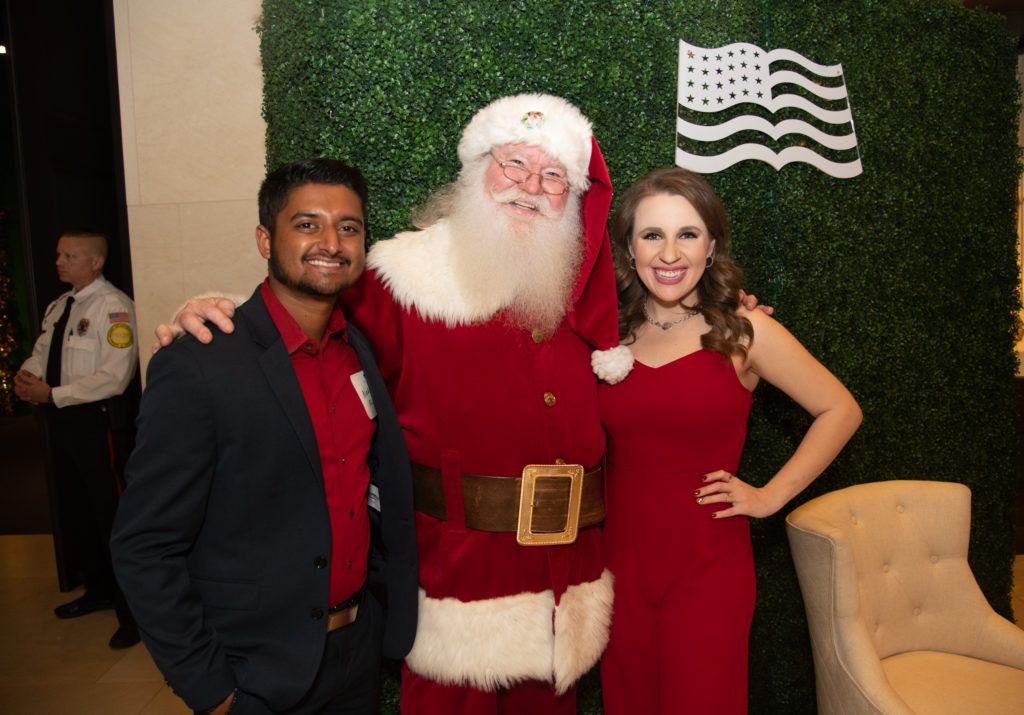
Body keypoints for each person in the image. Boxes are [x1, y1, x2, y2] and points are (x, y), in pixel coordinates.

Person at [158, 94, 624, 714]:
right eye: (514, 164)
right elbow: (304, 316)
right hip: (453, 579)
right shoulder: (401, 277)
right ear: (477, 170)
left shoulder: (585, 287)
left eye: (554, 176)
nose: (531, 187)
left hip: (567, 577)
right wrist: (215, 313)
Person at [110, 159, 418, 715]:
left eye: (348, 227)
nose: (331, 243)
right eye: (307, 224)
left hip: (357, 652)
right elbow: (145, 544)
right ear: (264, 239)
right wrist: (212, 690)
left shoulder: (357, 351)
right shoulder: (200, 363)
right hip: (257, 672)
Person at [592, 167, 862, 714]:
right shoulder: (603, 333)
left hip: (708, 564)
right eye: (652, 235)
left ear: (711, 246)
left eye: (688, 234)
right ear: (629, 248)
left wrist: (770, 496)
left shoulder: (745, 331)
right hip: (617, 565)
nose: (670, 253)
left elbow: (840, 410)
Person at [14, 229, 140, 649]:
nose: (59, 262)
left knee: (111, 516)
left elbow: (115, 378)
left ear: (96, 262)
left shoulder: (114, 307)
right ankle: (98, 590)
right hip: (60, 419)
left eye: (69, 255)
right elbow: (43, 352)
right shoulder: (60, 306)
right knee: (78, 511)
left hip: (95, 423)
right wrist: (28, 375)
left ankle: (132, 613)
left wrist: (52, 394)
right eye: (59, 254)